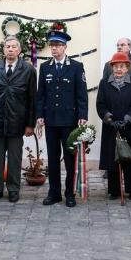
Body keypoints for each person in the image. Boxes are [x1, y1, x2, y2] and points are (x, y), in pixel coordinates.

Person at [35, 30, 88, 208]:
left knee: (70, 159)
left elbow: (82, 95)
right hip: (51, 121)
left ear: (65, 47)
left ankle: (69, 193)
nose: (54, 48)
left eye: (57, 45)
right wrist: (40, 115)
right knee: (52, 158)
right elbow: (40, 94)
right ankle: (54, 193)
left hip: (69, 121)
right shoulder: (45, 67)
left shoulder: (76, 66)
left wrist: (82, 116)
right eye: (52, 45)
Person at [0, 35, 37, 203]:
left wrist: (30, 124)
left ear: (19, 50)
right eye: (7, 46)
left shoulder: (28, 70)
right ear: (3, 49)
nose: (10, 49)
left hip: (18, 121)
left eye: (13, 46)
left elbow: (32, 99)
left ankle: (14, 189)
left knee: (15, 157)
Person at [97, 52, 131, 200]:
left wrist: (126, 121)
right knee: (113, 158)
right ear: (112, 67)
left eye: (122, 66)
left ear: (127, 67)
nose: (118, 69)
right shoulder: (104, 83)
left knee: (130, 158)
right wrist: (110, 120)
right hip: (111, 127)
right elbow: (100, 104)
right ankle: (114, 190)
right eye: (116, 66)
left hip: (129, 127)